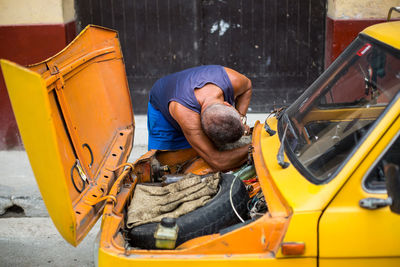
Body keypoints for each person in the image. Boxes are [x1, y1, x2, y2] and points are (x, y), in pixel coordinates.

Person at [147, 65, 252, 171]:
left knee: (202, 150)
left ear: (227, 104)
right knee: (165, 165)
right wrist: (255, 148)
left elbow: (247, 87)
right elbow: (218, 161)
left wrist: (241, 117)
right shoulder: (188, 116)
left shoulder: (233, 80)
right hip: (162, 107)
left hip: (184, 90)